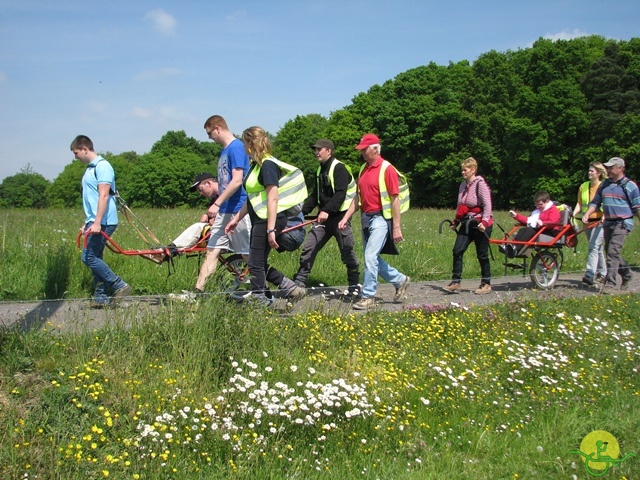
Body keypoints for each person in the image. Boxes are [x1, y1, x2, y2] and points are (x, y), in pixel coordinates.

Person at [225, 126, 307, 306]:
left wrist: (271, 229)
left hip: (268, 220)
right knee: (258, 262)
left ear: (249, 144)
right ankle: (291, 289)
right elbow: (253, 199)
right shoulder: (255, 166)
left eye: (244, 142)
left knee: (254, 263)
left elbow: (273, 198)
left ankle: (261, 302)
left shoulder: (268, 165)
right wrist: (236, 219)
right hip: (260, 219)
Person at [338, 133, 410, 310]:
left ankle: (368, 296)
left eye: (364, 149)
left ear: (375, 149)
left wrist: (396, 227)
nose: (361, 152)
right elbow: (357, 197)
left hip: (380, 218)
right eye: (361, 150)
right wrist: (346, 217)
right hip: (366, 218)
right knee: (372, 257)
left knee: (370, 256)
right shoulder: (363, 168)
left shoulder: (387, 169)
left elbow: (395, 199)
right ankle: (400, 280)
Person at [191, 116, 252, 294]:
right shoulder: (224, 151)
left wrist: (217, 203)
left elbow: (237, 181)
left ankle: (271, 289)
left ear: (217, 128)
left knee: (247, 255)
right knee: (212, 251)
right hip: (225, 211)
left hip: (237, 210)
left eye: (210, 133)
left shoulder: (237, 148)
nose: (210, 138)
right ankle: (198, 292)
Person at [292, 139, 360, 293]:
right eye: (314, 150)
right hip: (323, 219)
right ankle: (298, 284)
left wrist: (326, 211)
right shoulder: (319, 171)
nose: (316, 152)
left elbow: (340, 194)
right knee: (308, 249)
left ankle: (354, 287)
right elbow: (315, 197)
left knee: (347, 251)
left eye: (319, 149)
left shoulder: (339, 168)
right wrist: (301, 212)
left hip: (340, 218)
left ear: (329, 151)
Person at [71, 135, 131, 308]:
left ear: (84, 149)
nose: (76, 157)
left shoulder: (102, 166)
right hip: (95, 220)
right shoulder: (90, 169)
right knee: (96, 257)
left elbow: (104, 195)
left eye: (76, 153)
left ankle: (119, 285)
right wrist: (88, 222)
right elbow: (91, 198)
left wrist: (97, 222)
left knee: (88, 257)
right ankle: (100, 297)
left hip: (104, 220)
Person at [582, 157, 640, 292]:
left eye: (611, 167)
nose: (608, 170)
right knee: (610, 251)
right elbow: (595, 202)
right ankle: (626, 274)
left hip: (623, 222)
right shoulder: (604, 184)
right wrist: (587, 214)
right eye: (607, 167)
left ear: (620, 168)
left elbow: (637, 207)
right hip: (608, 222)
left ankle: (610, 283)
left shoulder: (630, 186)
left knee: (613, 252)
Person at [140, 174, 220, 264]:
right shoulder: (215, 198)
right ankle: (165, 251)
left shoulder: (225, 194)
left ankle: (167, 251)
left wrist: (214, 218)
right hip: (216, 230)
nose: (200, 193)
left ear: (209, 183)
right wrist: (207, 214)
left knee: (198, 226)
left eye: (200, 190)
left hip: (228, 230)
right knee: (200, 227)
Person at [443, 157, 493, 295]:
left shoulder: (480, 184)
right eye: (462, 170)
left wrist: (484, 222)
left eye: (465, 170)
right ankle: (456, 282)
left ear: (473, 170)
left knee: (482, 254)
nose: (463, 172)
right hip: (466, 223)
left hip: (479, 223)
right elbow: (461, 207)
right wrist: (456, 222)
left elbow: (488, 205)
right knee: (457, 250)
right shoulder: (462, 186)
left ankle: (486, 283)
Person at [572, 162, 607, 286]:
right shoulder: (584, 186)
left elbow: (606, 203)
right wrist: (574, 214)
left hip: (600, 221)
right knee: (596, 248)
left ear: (598, 172)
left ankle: (590, 273)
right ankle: (603, 273)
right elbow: (580, 203)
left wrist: (605, 216)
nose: (589, 173)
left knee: (593, 246)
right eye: (589, 171)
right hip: (587, 222)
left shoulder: (603, 186)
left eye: (592, 171)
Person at [507, 191, 560, 256]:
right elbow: (528, 220)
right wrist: (516, 216)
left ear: (547, 202)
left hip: (550, 231)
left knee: (530, 230)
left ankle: (515, 248)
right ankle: (512, 246)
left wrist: (543, 223)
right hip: (540, 229)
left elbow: (553, 222)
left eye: (540, 204)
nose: (538, 207)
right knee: (523, 230)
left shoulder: (553, 210)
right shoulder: (537, 211)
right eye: (536, 205)